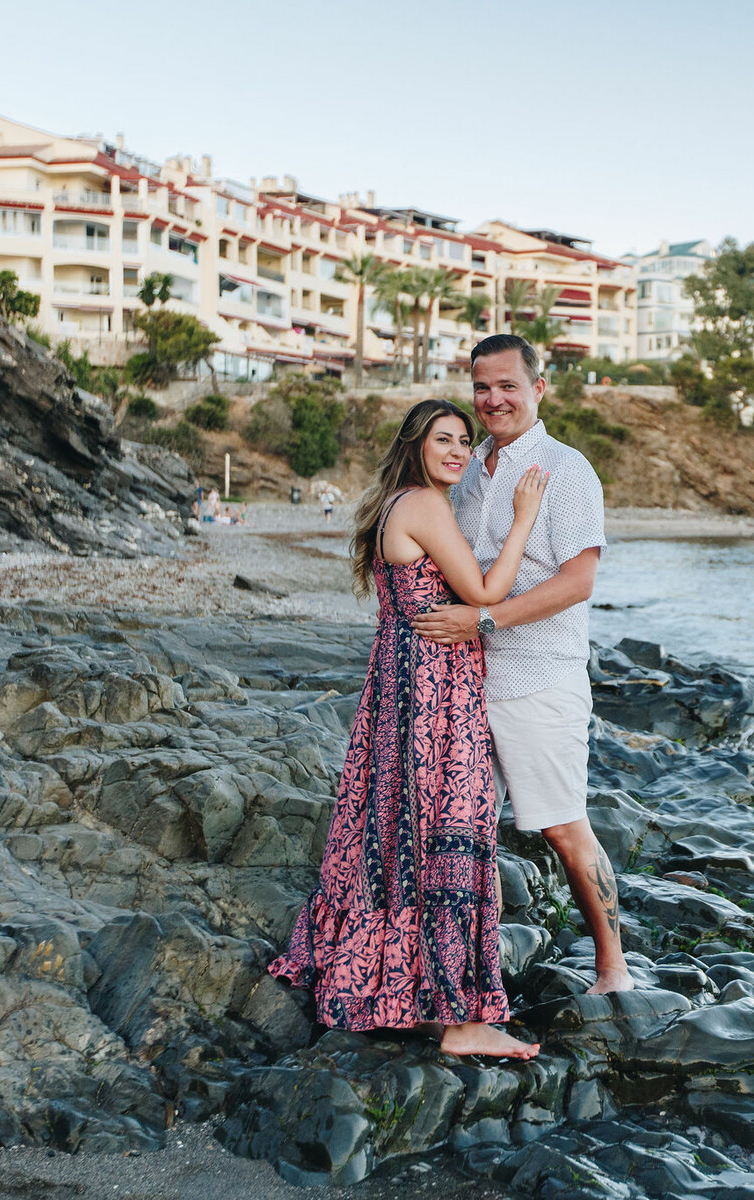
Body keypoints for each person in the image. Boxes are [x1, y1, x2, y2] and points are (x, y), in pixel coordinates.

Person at [269, 398, 549, 1058]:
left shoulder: (401, 503)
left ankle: (398, 990)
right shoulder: (422, 504)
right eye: (442, 438)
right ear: (416, 444)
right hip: (432, 692)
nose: (456, 449)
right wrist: (523, 522)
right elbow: (485, 594)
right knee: (453, 827)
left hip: (401, 682)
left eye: (464, 441)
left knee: (399, 833)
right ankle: (459, 1019)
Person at [411, 334, 634, 995]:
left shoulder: (566, 470)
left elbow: (577, 583)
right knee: (458, 827)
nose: (493, 399)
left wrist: (483, 621)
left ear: (539, 388)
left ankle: (613, 970)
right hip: (462, 682)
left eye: (508, 385)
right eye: (482, 386)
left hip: (538, 679)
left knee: (565, 827)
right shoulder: (464, 466)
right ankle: (455, 974)